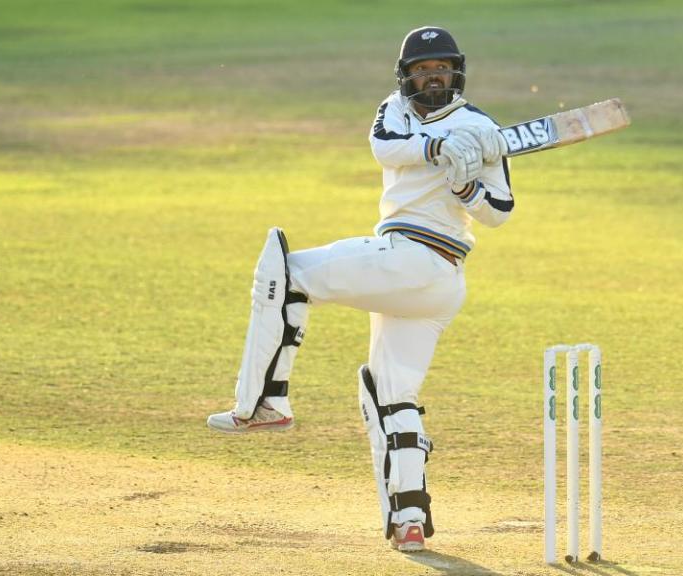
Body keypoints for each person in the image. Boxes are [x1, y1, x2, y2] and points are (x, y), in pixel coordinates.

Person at [206, 26, 514, 553]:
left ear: (457, 71)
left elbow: (499, 212)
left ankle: (264, 402)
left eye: (441, 67)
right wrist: (441, 147)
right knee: (391, 393)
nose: (432, 75)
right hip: (414, 276)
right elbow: (385, 149)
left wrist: (467, 185)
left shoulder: (481, 127)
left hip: (424, 263)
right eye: (422, 69)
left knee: (286, 272)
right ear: (406, 76)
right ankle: (409, 519)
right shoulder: (395, 110)